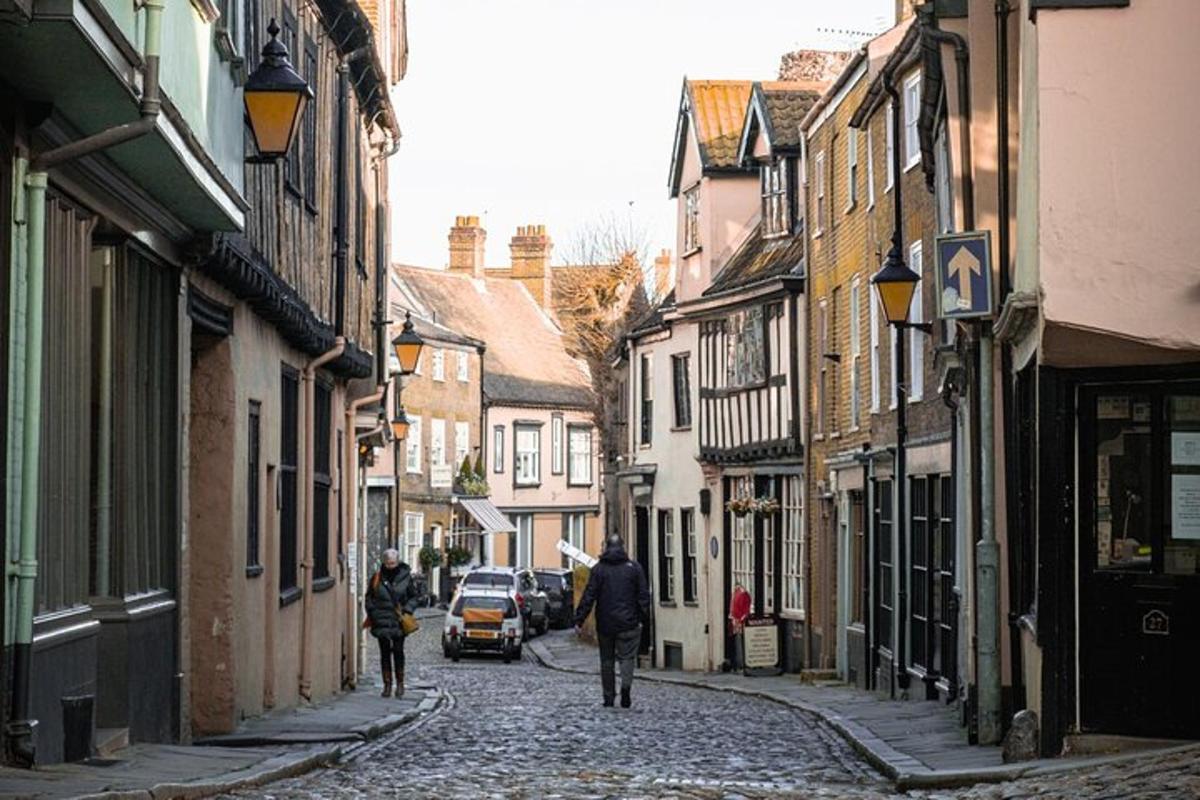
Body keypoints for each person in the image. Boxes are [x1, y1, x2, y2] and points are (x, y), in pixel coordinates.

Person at [574, 534, 650, 708]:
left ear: (606, 548)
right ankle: (625, 689)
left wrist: (579, 620)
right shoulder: (635, 568)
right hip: (629, 623)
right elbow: (643, 596)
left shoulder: (599, 569)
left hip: (606, 624)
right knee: (627, 658)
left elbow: (589, 596)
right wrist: (641, 618)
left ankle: (608, 697)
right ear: (623, 547)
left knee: (607, 661)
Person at [364, 548, 420, 698]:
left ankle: (400, 684)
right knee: (384, 653)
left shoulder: (406, 578)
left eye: (393, 563)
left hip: (398, 620)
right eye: (388, 563)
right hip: (381, 620)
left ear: (398, 562)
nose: (390, 566)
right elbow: (369, 597)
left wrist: (407, 611)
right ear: (384, 562)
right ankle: (387, 685)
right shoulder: (377, 577)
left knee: (398, 651)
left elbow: (414, 597)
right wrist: (373, 613)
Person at [728, 584, 751, 671]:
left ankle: (740, 664)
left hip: (737, 619)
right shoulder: (736, 593)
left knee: (739, 641)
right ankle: (737, 664)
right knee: (736, 641)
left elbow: (744, 608)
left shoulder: (741, 594)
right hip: (736, 619)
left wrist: (741, 618)